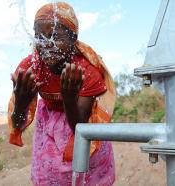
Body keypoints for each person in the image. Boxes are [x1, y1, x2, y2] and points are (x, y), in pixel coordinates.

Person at [7, 2, 116, 185]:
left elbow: (81, 130)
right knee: (50, 177)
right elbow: (17, 124)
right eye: (39, 36)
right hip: (48, 128)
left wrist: (69, 99)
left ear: (73, 39)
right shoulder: (31, 67)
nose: (47, 44)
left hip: (79, 124)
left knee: (85, 177)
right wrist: (21, 103)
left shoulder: (86, 71)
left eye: (55, 36)